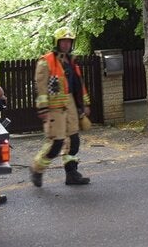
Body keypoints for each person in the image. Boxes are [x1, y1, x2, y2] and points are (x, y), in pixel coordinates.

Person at [29, 26, 91, 187]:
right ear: (57, 42)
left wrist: (84, 104)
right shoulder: (46, 61)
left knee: (74, 141)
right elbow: (41, 87)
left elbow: (78, 84)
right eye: (63, 41)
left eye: (69, 41)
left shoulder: (71, 61)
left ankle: (71, 174)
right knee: (56, 144)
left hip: (70, 104)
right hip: (54, 107)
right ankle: (37, 169)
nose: (66, 44)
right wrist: (43, 108)